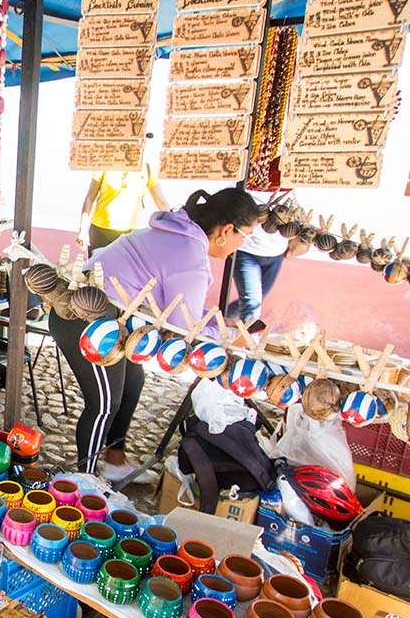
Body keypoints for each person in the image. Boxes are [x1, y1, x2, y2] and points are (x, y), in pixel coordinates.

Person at [51, 187, 260, 483]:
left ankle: (113, 459)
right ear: (227, 230)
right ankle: (83, 483)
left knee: (133, 381)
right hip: (86, 318)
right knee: (104, 404)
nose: (241, 245)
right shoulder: (189, 254)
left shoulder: (179, 232)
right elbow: (183, 328)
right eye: (245, 236)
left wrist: (219, 328)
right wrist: (228, 336)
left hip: (112, 317)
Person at [225, 190, 293, 325]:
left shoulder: (291, 186)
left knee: (254, 300)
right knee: (252, 302)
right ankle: (248, 341)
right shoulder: (248, 185)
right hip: (246, 251)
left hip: (276, 254)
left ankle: (221, 320)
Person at [77, 161, 169, 254]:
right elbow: (90, 198)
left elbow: (161, 202)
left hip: (129, 236)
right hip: (100, 232)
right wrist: (82, 230)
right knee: (96, 268)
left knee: (123, 268)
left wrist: (174, 227)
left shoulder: (146, 168)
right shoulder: (104, 164)